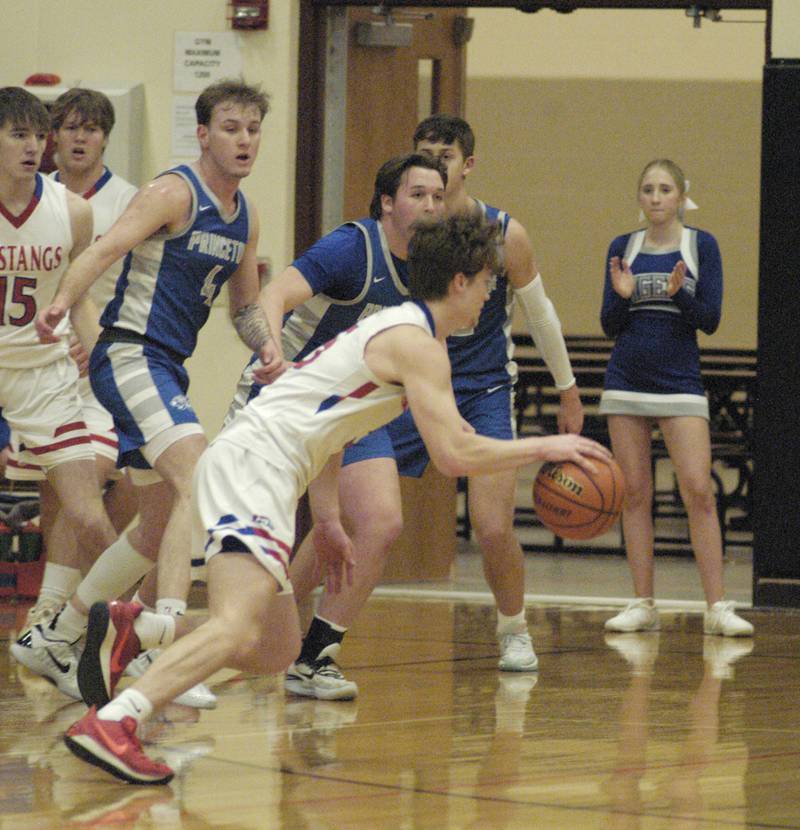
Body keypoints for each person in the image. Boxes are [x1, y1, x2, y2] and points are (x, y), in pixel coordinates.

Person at [62, 213, 611, 785]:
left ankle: (141, 632)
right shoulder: (416, 344)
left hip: (266, 462)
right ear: (459, 281)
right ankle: (116, 722)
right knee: (235, 626)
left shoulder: (405, 330)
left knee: (274, 648)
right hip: (260, 465)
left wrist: (326, 518)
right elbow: (454, 456)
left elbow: (335, 428)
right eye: (486, 283)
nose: (489, 297)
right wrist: (546, 445)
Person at [284, 113, 585, 699]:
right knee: (350, 517)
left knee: (494, 524)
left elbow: (541, 312)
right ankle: (278, 620)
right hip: (401, 387)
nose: (434, 167)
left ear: (467, 164)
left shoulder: (502, 233)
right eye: (423, 156)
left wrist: (568, 388)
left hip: (482, 386)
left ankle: (512, 629)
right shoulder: (402, 231)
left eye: (444, 156)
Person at [11, 79, 274, 705]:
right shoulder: (171, 192)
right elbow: (103, 249)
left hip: (167, 365)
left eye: (253, 129)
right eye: (231, 128)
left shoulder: (246, 215)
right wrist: (64, 304)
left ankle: (59, 632)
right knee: (197, 475)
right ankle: (165, 644)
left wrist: (266, 346)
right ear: (204, 134)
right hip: (129, 350)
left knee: (155, 525)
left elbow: (243, 306)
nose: (244, 140)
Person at [0, 87, 121, 698]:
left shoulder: (71, 209)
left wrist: (98, 352)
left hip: (43, 374)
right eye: (17, 134)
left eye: (35, 135)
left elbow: (83, 295)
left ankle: (109, 633)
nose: (33, 146)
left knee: (88, 511)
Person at [600, 159, 752, 637]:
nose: (656, 197)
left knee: (698, 490)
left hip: (681, 382)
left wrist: (679, 295)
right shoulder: (623, 246)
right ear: (639, 197)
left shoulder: (700, 244)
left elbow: (710, 319)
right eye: (648, 189)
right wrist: (623, 295)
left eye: (665, 188)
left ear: (681, 195)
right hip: (626, 381)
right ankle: (642, 602)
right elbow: (609, 324)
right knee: (635, 493)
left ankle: (717, 606)